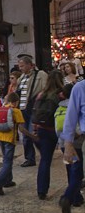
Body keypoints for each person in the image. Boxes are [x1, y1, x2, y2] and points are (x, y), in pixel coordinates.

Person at [32, 69, 64, 200]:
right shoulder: (61, 95)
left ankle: (41, 190)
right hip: (57, 129)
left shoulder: (41, 94)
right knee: (70, 161)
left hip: (42, 129)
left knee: (45, 160)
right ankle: (75, 193)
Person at [0, 93, 28, 195]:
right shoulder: (16, 111)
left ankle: (8, 181)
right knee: (8, 162)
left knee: (6, 159)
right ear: (16, 102)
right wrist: (32, 136)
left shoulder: (0, 109)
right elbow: (21, 128)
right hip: (9, 139)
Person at [56, 83, 84, 213]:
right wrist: (69, 144)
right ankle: (71, 197)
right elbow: (71, 119)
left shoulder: (60, 107)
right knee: (77, 172)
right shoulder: (80, 88)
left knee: (74, 171)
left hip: (73, 141)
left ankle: (70, 197)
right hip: (79, 141)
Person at [16, 55, 48, 167]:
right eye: (19, 66)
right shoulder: (22, 77)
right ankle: (29, 158)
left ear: (30, 65)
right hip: (23, 108)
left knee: (33, 133)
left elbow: (46, 89)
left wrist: (41, 96)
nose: (20, 68)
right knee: (25, 135)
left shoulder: (41, 75)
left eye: (22, 66)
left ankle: (45, 153)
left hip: (34, 108)